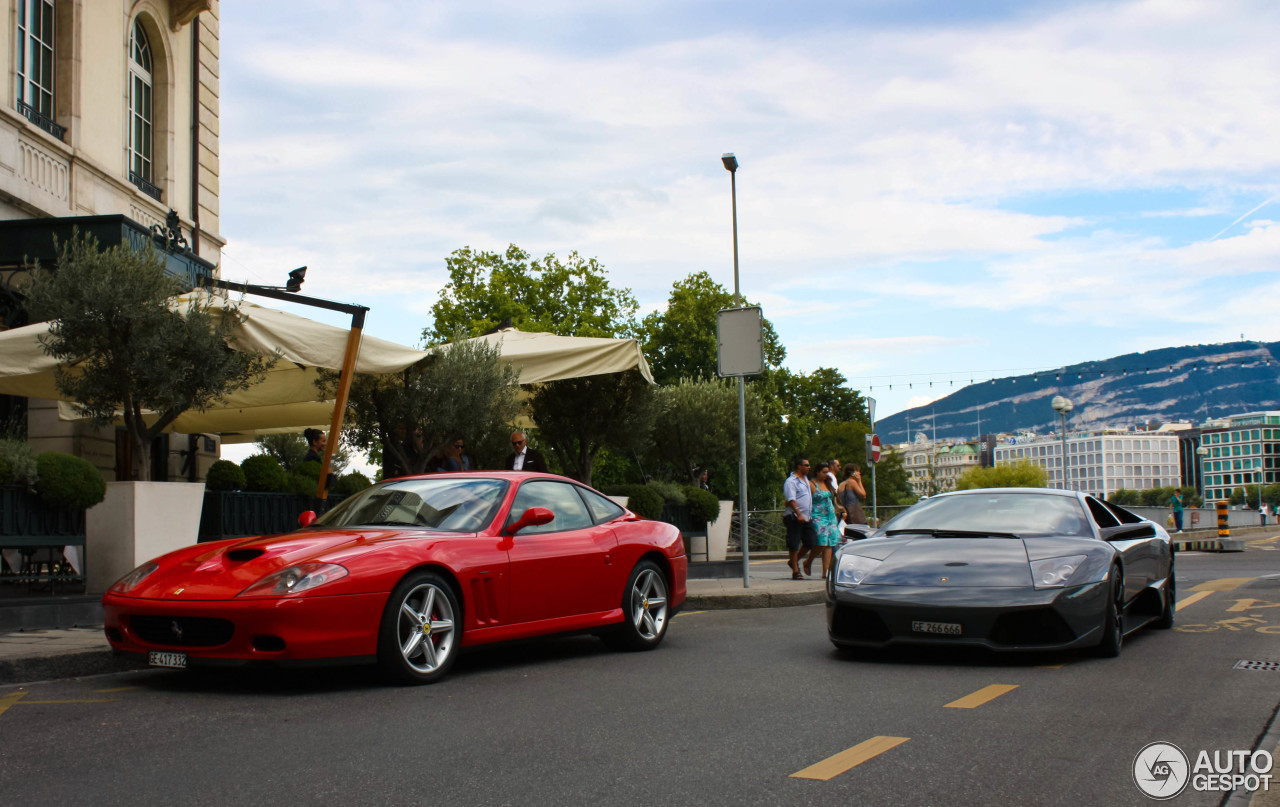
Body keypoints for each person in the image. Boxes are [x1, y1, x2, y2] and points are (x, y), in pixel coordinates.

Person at [782, 455, 817, 580]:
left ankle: (793, 561)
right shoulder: (791, 481)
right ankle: (795, 570)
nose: (809, 467)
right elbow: (791, 499)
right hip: (794, 516)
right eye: (806, 465)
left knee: (811, 541)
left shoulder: (806, 479)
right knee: (794, 543)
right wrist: (799, 513)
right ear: (799, 466)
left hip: (807, 517)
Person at [808, 461, 844, 577]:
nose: (826, 475)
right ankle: (808, 561)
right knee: (822, 542)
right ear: (817, 472)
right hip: (818, 515)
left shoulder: (828, 484)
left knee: (830, 543)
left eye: (827, 472)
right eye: (824, 472)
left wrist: (841, 509)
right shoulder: (812, 484)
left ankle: (826, 572)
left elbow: (834, 499)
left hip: (830, 515)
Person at [838, 463, 870, 537]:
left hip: (845, 512)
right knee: (863, 533)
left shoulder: (841, 484)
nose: (859, 473)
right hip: (855, 512)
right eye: (858, 471)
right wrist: (859, 481)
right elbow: (863, 495)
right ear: (853, 473)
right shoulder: (852, 482)